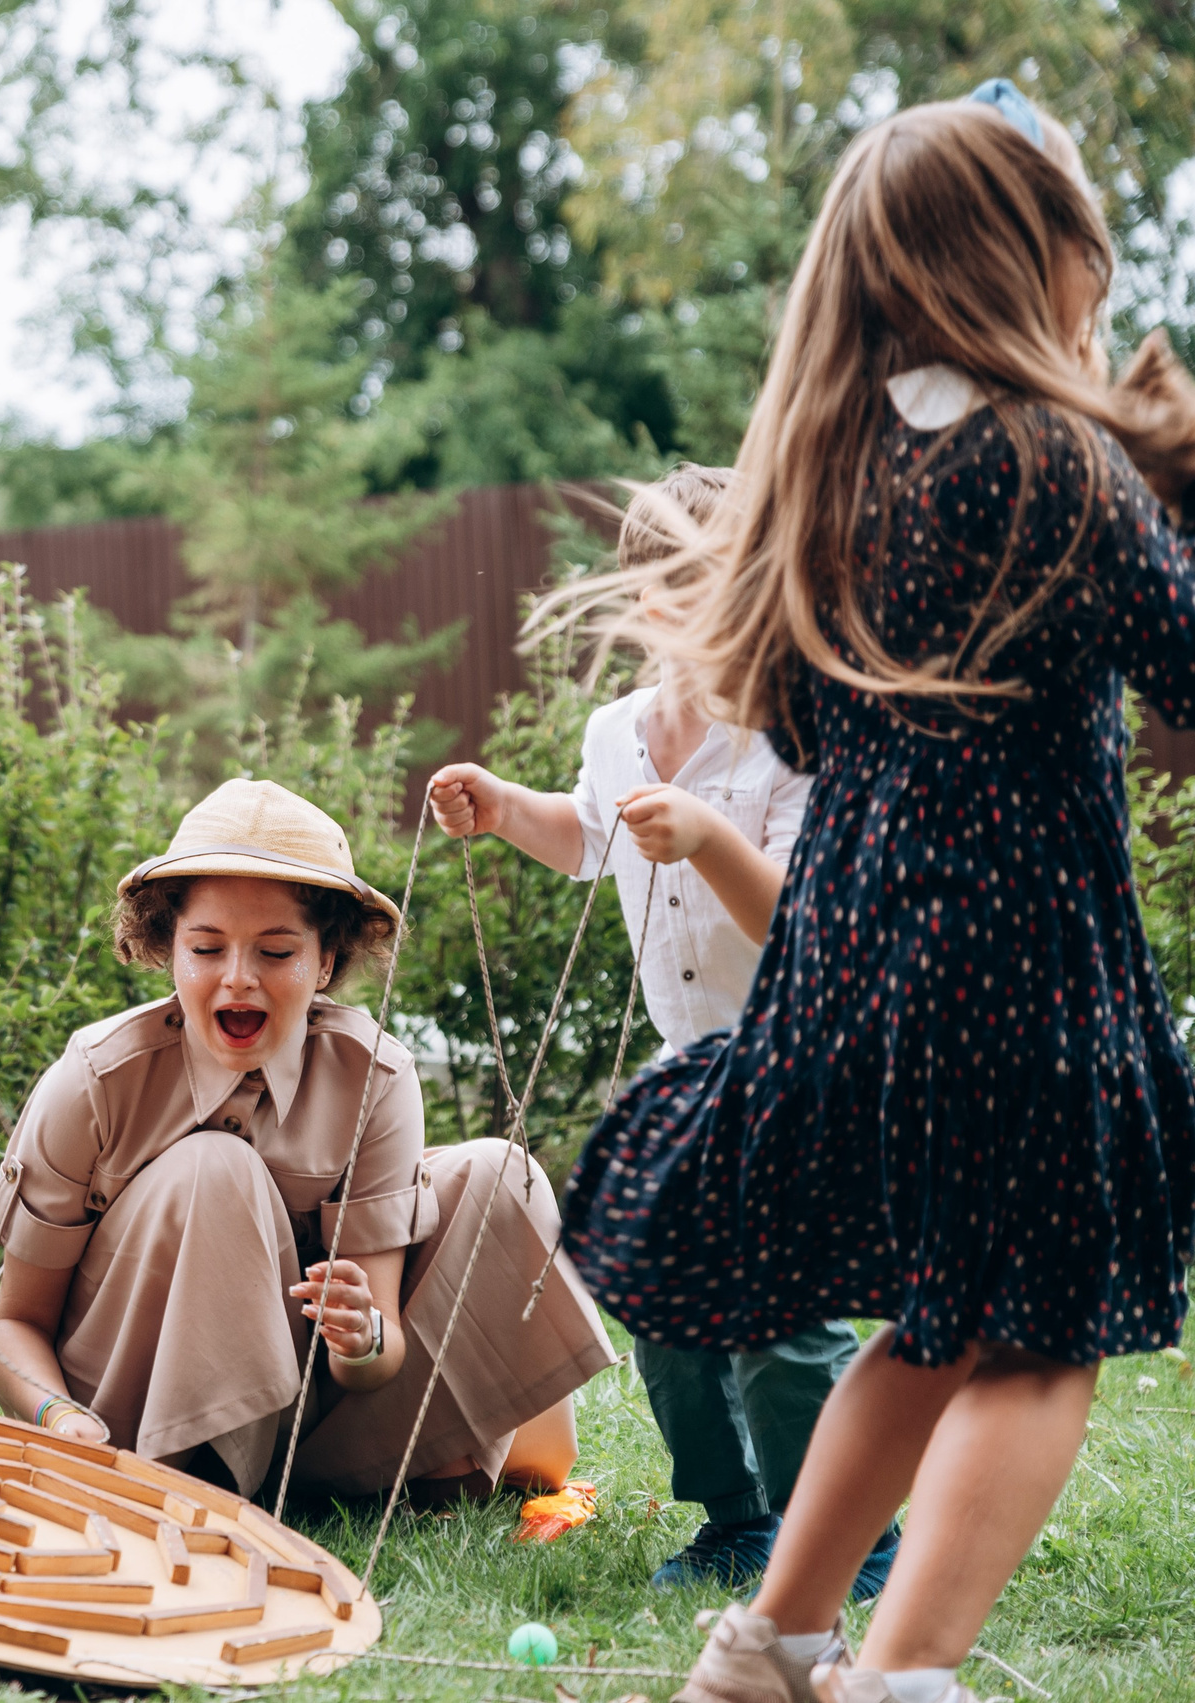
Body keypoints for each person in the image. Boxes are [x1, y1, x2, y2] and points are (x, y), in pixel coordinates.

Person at [552, 88, 1195, 1703]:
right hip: (1021, 940)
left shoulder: (828, 477)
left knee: (936, 1314)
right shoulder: (1053, 458)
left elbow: (800, 723)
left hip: (853, 941)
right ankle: (903, 1672)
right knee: (1042, 1333)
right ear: (1030, 259)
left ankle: (770, 1641)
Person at [427, 467, 896, 1600]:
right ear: (640, 597)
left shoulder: (798, 733)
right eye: (680, 585)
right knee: (664, 1305)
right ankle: (734, 1515)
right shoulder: (615, 731)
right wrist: (502, 807)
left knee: (777, 1322)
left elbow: (798, 915)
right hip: (687, 1066)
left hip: (797, 1055)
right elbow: (585, 834)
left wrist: (703, 836)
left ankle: (845, 1534)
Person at [0, 778, 618, 1502]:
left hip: (310, 1416)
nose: (238, 978)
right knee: (217, 1169)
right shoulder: (95, 1080)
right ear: (167, 947)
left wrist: (365, 1335)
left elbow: (374, 1359)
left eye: (276, 952)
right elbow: (15, 1323)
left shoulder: (374, 1076)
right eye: (207, 948)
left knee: (495, 1171)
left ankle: (407, 1470)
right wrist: (58, 1417)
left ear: (326, 962)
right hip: (130, 1414)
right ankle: (203, 1472)